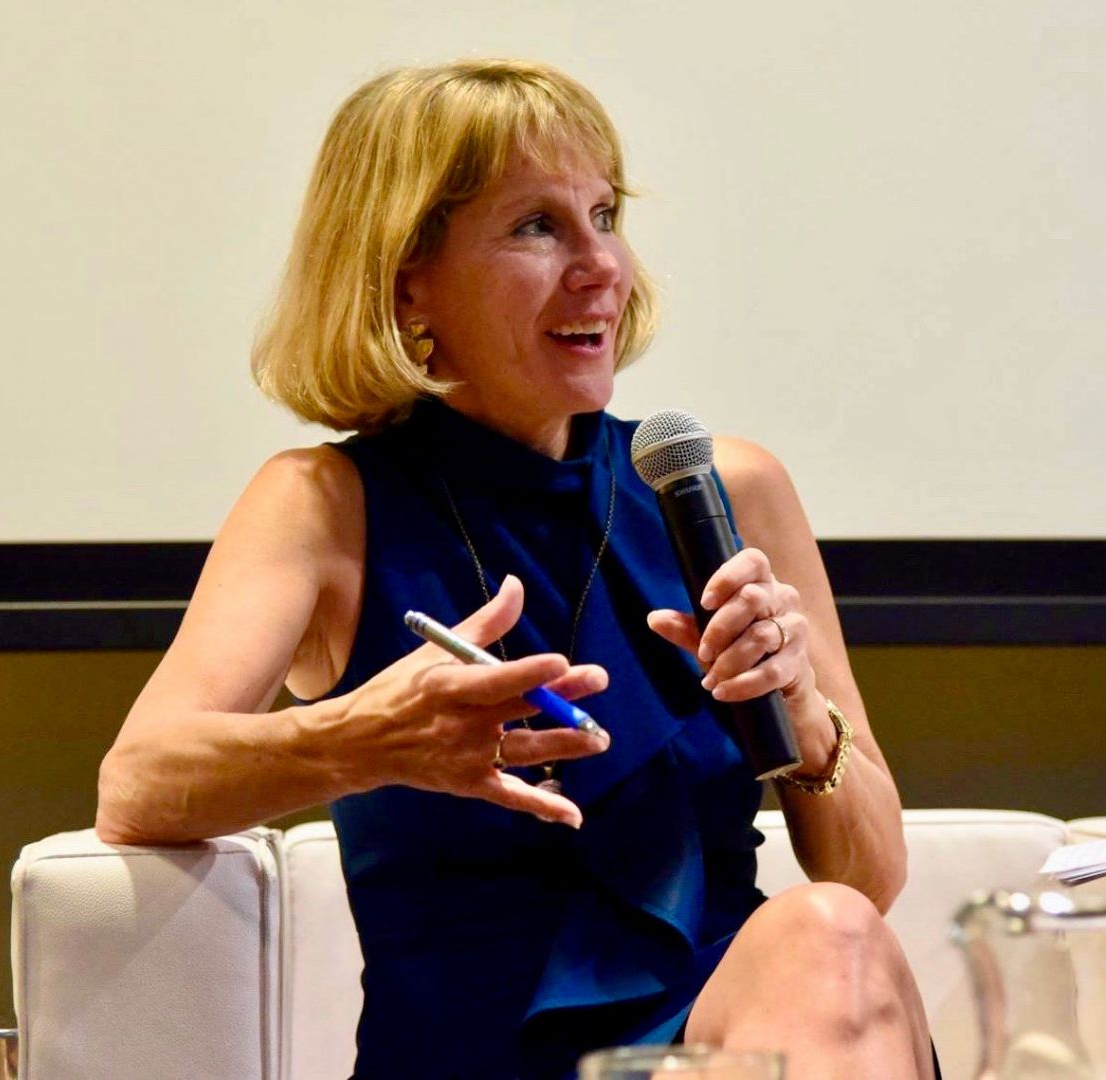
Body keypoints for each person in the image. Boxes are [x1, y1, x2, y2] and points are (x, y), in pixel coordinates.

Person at [97, 58, 935, 1079]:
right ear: (407, 277)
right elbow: (137, 782)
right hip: (471, 1054)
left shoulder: (722, 489)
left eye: (604, 216)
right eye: (537, 227)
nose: (601, 266)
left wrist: (797, 709)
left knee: (831, 933)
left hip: (729, 1036)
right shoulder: (322, 505)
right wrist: (360, 739)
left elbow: (866, 876)